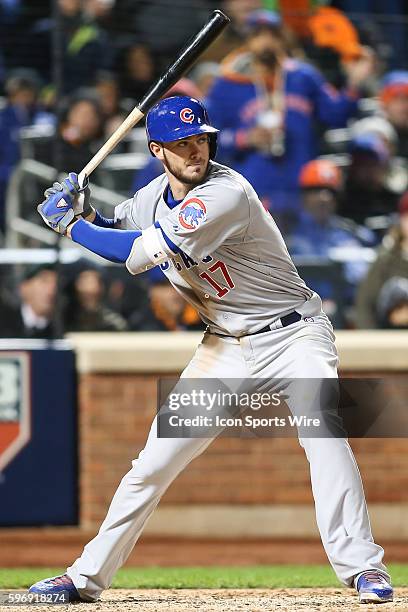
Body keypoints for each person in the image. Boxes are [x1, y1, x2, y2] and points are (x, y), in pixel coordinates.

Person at [29, 96, 392, 604]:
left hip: (293, 335)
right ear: (157, 150)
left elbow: (137, 254)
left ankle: (363, 569)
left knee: (324, 431)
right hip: (223, 346)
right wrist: (81, 206)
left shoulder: (227, 193)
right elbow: (120, 227)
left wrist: (68, 224)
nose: (194, 150)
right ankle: (84, 577)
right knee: (153, 461)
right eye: (181, 143)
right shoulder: (153, 195)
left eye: (199, 138)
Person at [205, 9, 374, 222]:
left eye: (273, 34)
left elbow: (335, 115)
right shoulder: (226, 84)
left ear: (283, 38)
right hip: (253, 188)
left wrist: (354, 84)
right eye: (258, 35)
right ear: (246, 40)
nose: (266, 41)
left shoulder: (303, 76)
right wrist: (244, 138)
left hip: (302, 187)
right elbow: (209, 141)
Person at [355, 191, 408, 328]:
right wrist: (371, 342)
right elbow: (365, 305)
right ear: (401, 220)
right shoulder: (386, 259)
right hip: (391, 339)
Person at [0, 264, 57, 339]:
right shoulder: (3, 321)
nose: (52, 290)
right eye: (44, 281)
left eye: (57, 283)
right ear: (24, 287)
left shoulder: (60, 328)